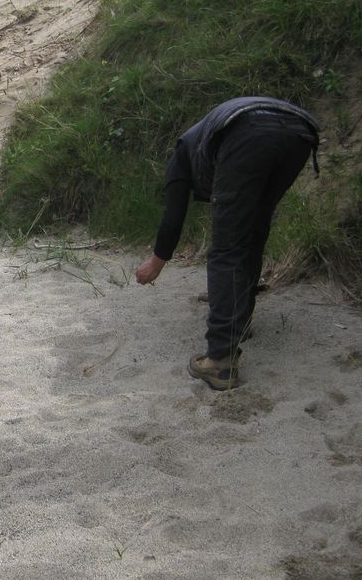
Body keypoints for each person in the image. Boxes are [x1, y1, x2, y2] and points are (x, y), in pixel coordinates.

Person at [135, 96, 320, 391]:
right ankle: (240, 322)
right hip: (299, 131)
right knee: (253, 231)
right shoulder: (201, 143)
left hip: (246, 128)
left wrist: (155, 264)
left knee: (227, 248)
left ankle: (220, 360)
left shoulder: (181, 155)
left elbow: (173, 216)